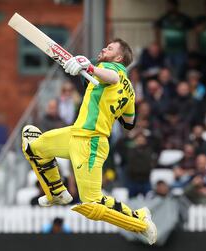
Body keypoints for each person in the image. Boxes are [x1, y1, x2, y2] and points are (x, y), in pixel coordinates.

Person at [21, 38, 157, 245]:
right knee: (32, 143)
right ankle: (57, 192)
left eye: (110, 48)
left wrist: (91, 67)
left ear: (119, 57)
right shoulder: (129, 90)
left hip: (91, 142)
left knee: (92, 205)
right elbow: (129, 123)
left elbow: (112, 77)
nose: (104, 48)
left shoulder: (113, 70)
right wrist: (91, 75)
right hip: (76, 133)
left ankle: (140, 221)